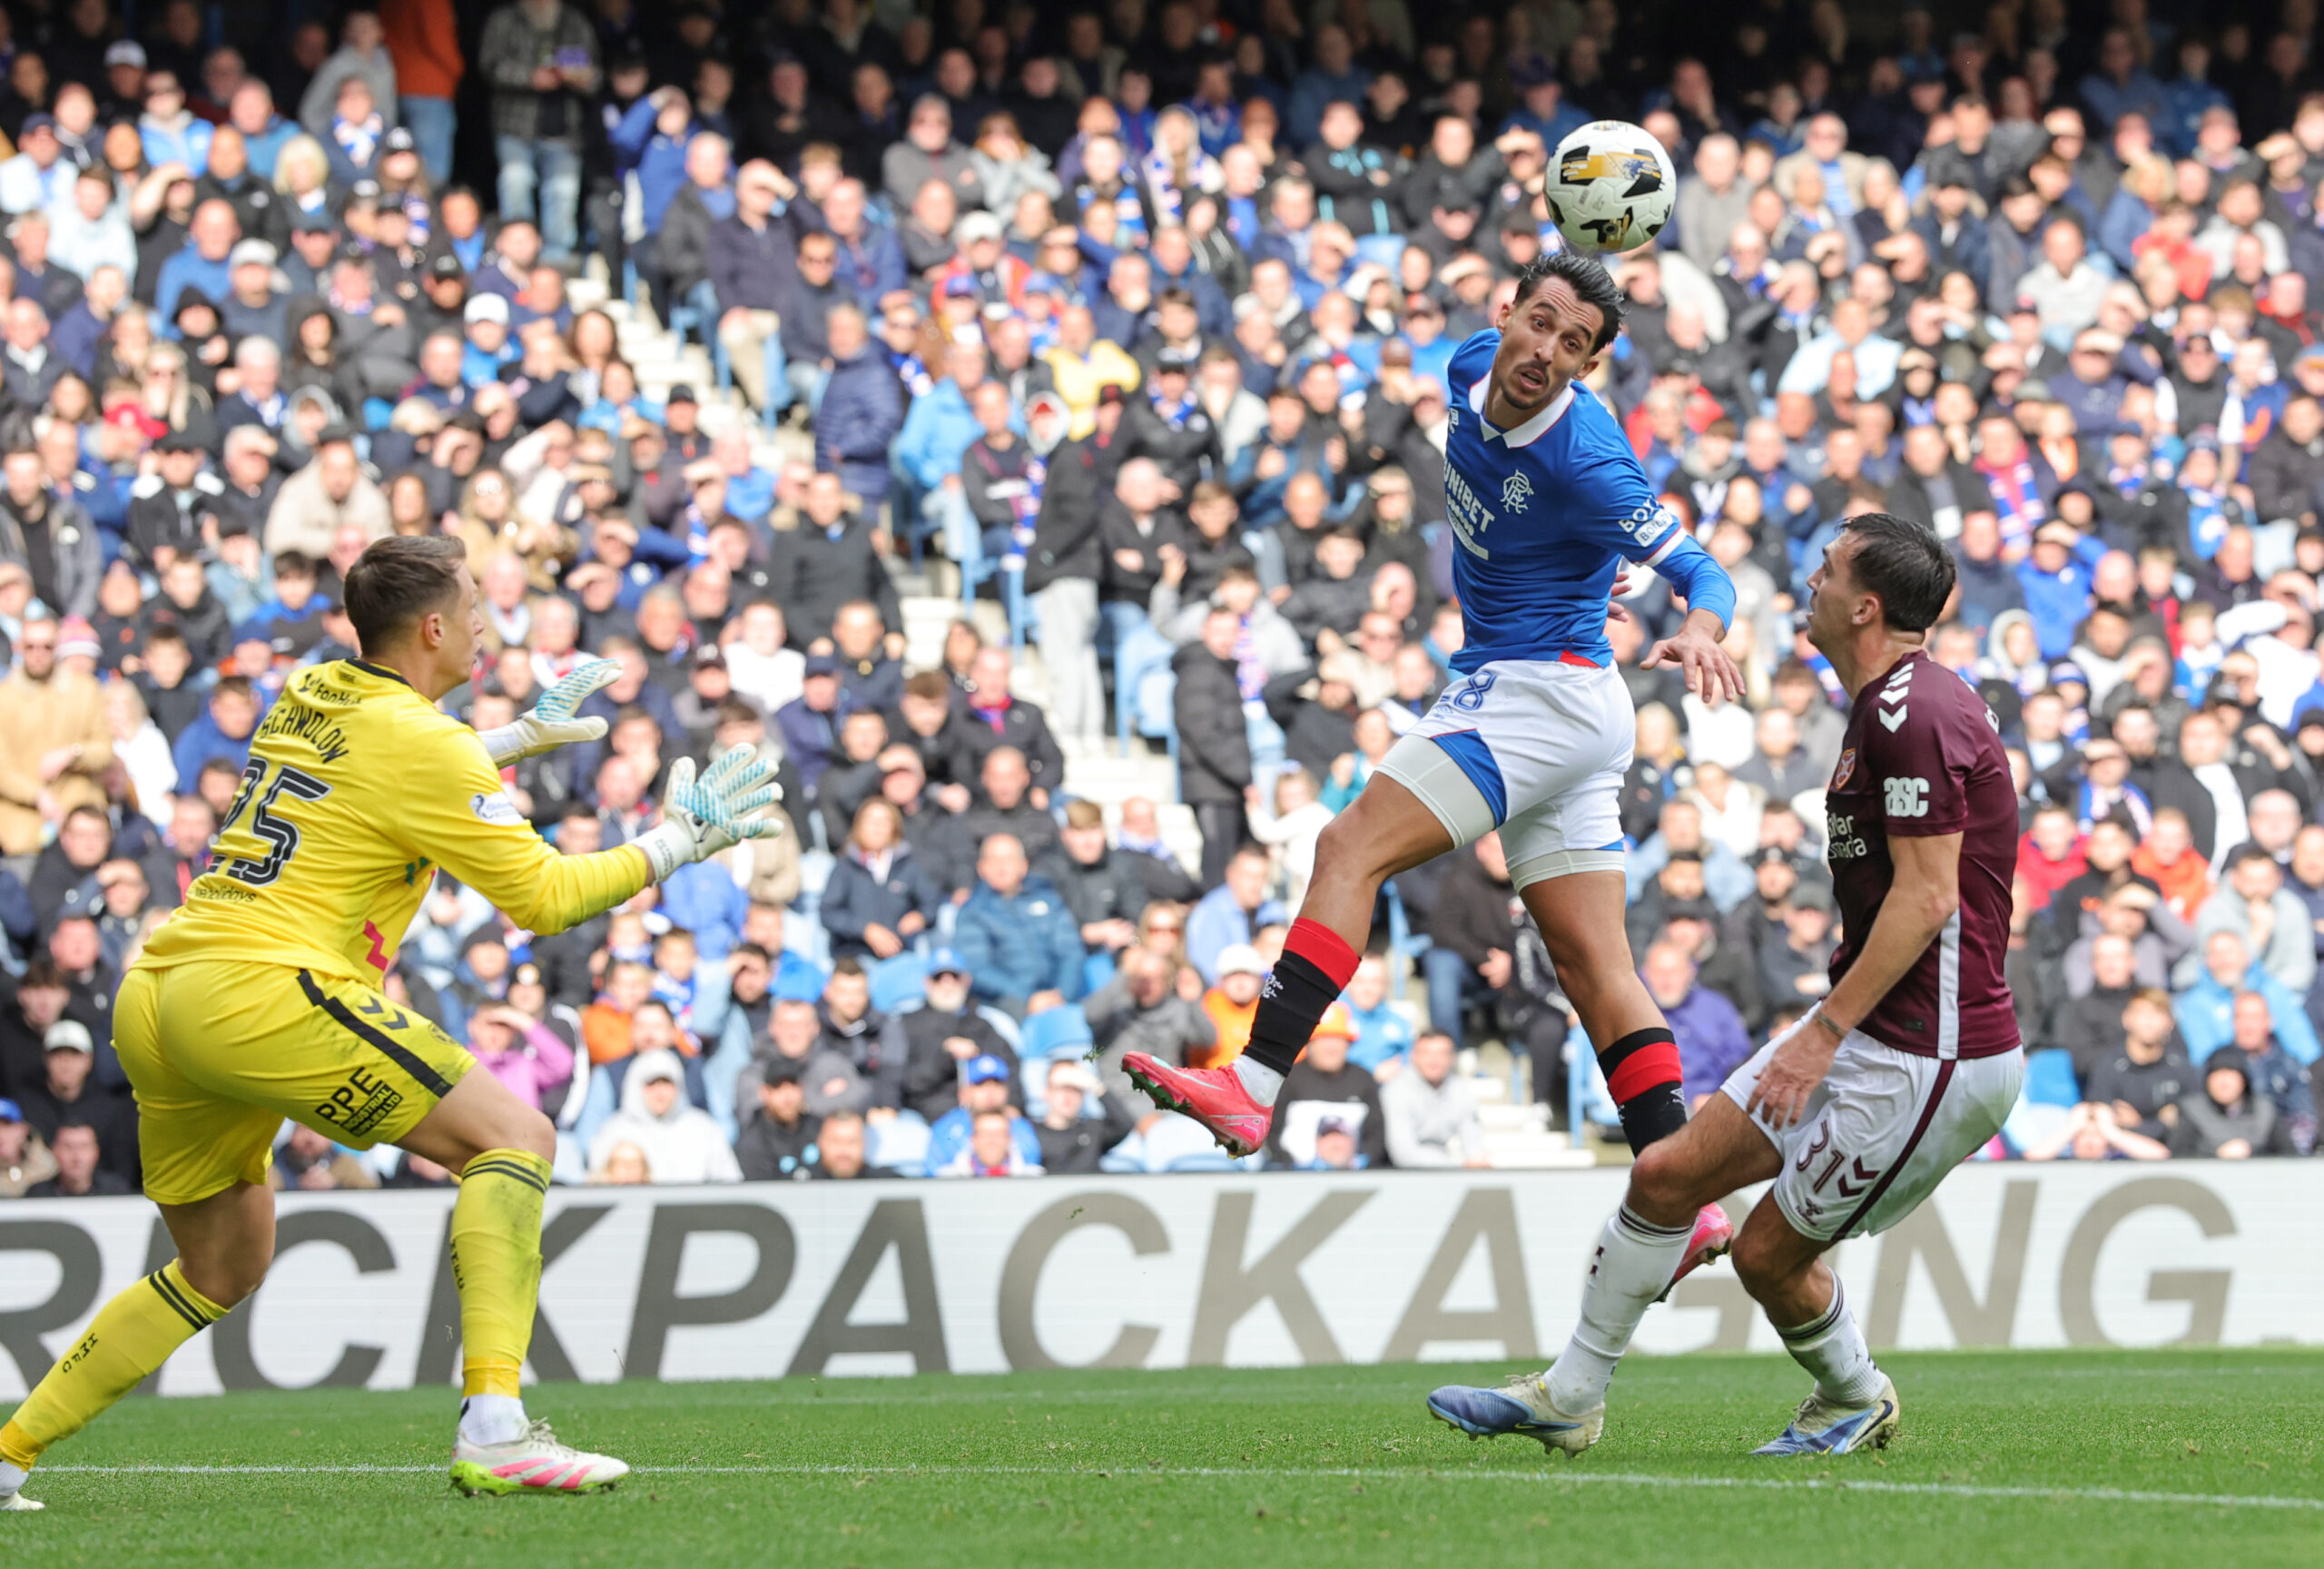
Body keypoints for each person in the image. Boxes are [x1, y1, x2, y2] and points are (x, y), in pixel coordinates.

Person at [0, 537, 783, 1510]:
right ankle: (495, 1427)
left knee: (218, 1266)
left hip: (163, 991)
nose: (490, 630)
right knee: (516, 1137)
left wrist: (508, 744)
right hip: (262, 989)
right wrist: (676, 843)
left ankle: (6, 1454)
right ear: (435, 627)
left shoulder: (312, 691)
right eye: (478, 611)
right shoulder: (426, 741)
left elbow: (367, 773)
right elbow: (543, 898)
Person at [1123, 252, 1742, 1259]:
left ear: (1588, 365)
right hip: (1563, 694)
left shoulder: (1586, 455)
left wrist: (1705, 628)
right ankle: (1684, 1195)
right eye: (1537, 321)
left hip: (1536, 689)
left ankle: (1252, 1083)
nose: (1544, 349)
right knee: (1593, 966)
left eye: (1572, 343)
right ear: (1506, 311)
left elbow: (1696, 566)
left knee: (1346, 846)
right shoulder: (1465, 366)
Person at [1428, 512, 2023, 1457]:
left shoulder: (1921, 712)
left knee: (1765, 1257)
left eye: (1825, 570)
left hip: (1932, 1056)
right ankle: (1570, 1396)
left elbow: (1926, 901)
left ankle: (1854, 1394)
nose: (1808, 579)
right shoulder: (1879, 709)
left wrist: (1817, 1036)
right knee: (1666, 1174)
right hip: (1874, 1033)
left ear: (1865, 606)